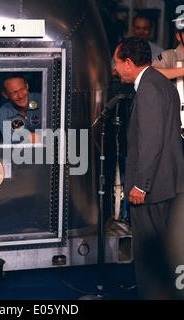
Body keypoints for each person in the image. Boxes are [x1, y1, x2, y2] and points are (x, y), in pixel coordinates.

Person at [113, 37, 184, 299]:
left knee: (148, 252)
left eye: (118, 63)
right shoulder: (160, 82)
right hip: (168, 182)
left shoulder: (149, 88)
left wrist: (141, 185)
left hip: (152, 187)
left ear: (129, 63)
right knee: (166, 253)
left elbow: (151, 141)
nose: (116, 69)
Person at [0, 74, 42, 144]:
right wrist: (27, 136)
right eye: (14, 93)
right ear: (5, 94)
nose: (20, 96)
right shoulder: (3, 113)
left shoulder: (43, 100)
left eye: (22, 89)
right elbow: (10, 143)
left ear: (27, 85)